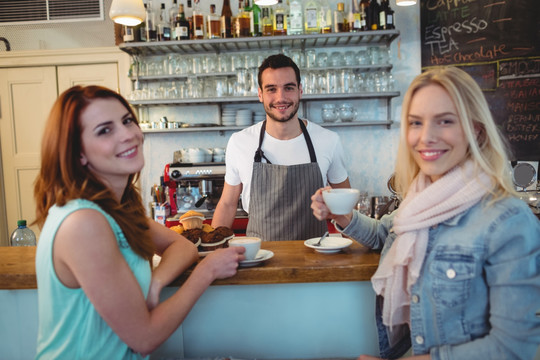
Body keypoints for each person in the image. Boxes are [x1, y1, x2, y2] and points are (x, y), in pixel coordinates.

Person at [311, 67, 540, 359]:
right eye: (416, 123)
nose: (426, 137)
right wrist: (340, 215)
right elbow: (384, 233)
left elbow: (513, 348)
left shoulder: (508, 221)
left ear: (476, 130)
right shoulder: (420, 200)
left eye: (444, 121)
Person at [33, 85, 245, 359]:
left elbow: (183, 247)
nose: (128, 135)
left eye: (127, 121)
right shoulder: (83, 222)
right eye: (105, 130)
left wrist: (154, 284)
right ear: (79, 154)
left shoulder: (115, 210)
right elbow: (144, 337)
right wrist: (208, 271)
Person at [212, 53, 351, 241]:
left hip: (316, 259)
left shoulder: (328, 140)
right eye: (271, 89)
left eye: (289, 88)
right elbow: (228, 204)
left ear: (300, 90)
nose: (281, 97)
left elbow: (346, 205)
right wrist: (213, 250)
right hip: (258, 258)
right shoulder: (240, 143)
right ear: (260, 94)